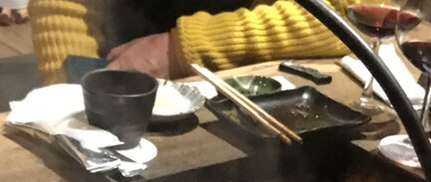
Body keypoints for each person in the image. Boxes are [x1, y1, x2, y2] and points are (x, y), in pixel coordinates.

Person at [28, 0, 351, 84]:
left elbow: (349, 15)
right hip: (115, 68)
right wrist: (68, 89)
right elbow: (62, 6)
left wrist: (181, 49)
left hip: (248, 83)